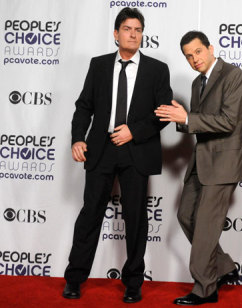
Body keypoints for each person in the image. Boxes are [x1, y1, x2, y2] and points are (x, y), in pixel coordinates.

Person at [62, 7, 172, 303]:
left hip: (137, 150)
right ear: (115, 34)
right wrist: (77, 139)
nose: (133, 34)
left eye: (138, 29)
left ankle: (134, 282)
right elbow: (84, 105)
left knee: (135, 219)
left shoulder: (157, 69)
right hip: (101, 149)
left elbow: (163, 114)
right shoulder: (98, 65)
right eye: (127, 29)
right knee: (90, 215)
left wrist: (133, 132)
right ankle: (74, 278)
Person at [155, 31, 242, 305]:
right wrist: (181, 118)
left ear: (210, 48)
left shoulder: (233, 75)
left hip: (223, 164)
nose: (194, 59)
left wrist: (187, 117)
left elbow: (228, 121)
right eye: (188, 56)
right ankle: (224, 267)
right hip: (201, 161)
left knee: (207, 227)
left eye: (197, 52)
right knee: (186, 216)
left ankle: (205, 288)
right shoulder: (198, 83)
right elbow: (201, 123)